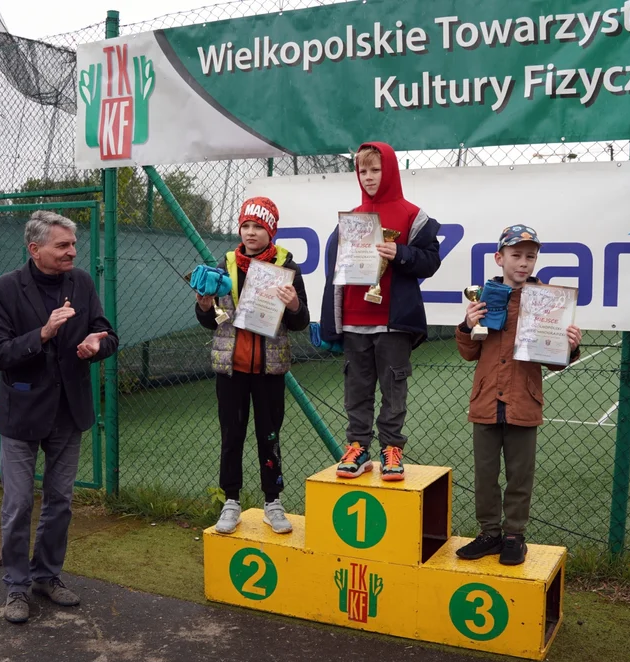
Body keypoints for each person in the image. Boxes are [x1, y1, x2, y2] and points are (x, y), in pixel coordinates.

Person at [0, 210, 119, 623]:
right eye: (62, 246)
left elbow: (107, 334)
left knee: (60, 501)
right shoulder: (3, 290)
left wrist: (97, 345)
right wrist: (42, 334)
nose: (72, 252)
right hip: (23, 412)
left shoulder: (82, 283)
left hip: (69, 411)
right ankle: (16, 586)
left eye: (73, 244)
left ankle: (46, 576)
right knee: (19, 504)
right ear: (35, 249)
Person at [454, 225, 581, 566]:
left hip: (523, 401)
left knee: (519, 476)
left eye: (530, 256)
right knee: (484, 475)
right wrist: (467, 325)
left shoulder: (548, 301)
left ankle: (513, 537)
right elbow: (468, 352)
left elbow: (554, 363)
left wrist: (569, 346)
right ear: (500, 258)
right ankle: (489, 534)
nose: (523, 263)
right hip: (486, 401)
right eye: (516, 255)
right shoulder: (484, 298)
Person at [319, 142, 441, 481]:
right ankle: (358, 448)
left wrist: (400, 253)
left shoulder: (413, 215)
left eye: (375, 169)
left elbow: (431, 261)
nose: (369, 177)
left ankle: (392, 448)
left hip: (393, 322)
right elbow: (334, 272)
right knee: (356, 390)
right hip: (355, 321)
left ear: (390, 171)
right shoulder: (351, 218)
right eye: (363, 171)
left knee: (393, 390)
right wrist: (331, 322)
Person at [196, 197, 310, 535]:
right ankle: (231, 501)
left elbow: (301, 322)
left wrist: (294, 304)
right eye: (245, 225)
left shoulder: (287, 267)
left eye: (258, 226)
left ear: (270, 230)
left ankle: (272, 501)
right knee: (231, 436)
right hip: (231, 370)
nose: (250, 232)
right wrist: (204, 306)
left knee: (269, 436)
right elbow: (210, 321)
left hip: (269, 371)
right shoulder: (225, 263)